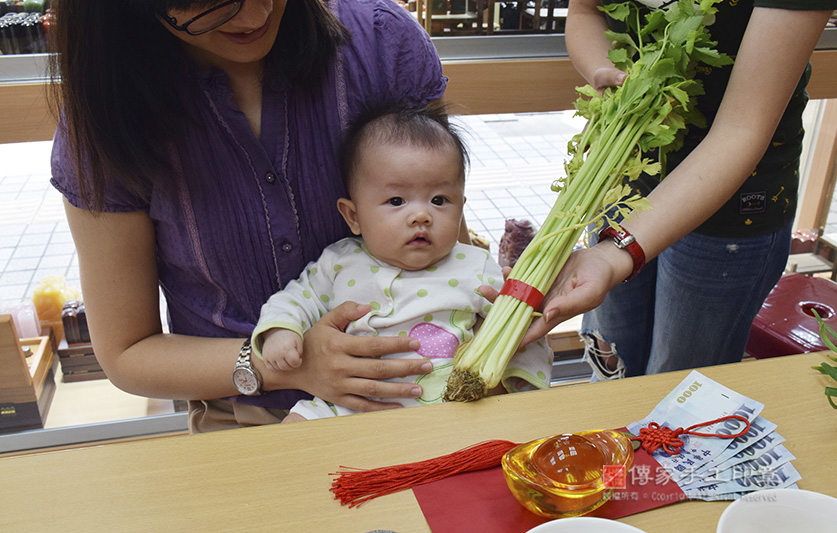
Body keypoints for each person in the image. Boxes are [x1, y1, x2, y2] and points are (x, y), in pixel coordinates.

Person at [48, 0, 457, 432]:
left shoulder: (379, 44)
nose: (253, 17)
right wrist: (285, 365)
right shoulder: (106, 117)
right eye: (205, 3)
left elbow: (447, 245)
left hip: (421, 394)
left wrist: (507, 314)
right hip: (246, 416)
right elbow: (128, 353)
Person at [511, 1, 836, 378]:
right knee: (612, 352)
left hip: (731, 203)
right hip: (623, 178)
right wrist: (608, 74)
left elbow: (741, 130)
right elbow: (586, 11)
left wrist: (613, 253)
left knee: (680, 380)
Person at [253, 104, 552, 422]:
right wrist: (281, 332)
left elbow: (520, 328)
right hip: (350, 403)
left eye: (439, 200)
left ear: (461, 207)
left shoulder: (474, 265)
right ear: (353, 216)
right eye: (396, 201)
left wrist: (519, 384)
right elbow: (295, 299)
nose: (421, 215)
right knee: (292, 431)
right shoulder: (339, 262)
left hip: (448, 403)